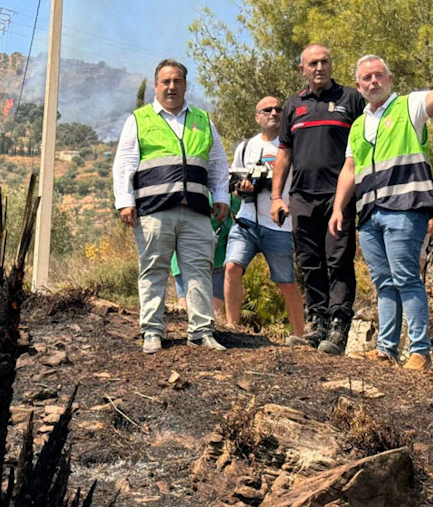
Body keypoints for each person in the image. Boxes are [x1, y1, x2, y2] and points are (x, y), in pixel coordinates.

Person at [328, 54, 433, 369]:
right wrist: (339, 207)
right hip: (369, 214)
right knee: (383, 282)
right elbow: (349, 169)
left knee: (406, 277)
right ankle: (386, 350)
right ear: (358, 86)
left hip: (405, 208)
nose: (373, 82)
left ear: (389, 79)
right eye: (366, 78)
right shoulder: (357, 125)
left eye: (378, 75)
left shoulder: (409, 105)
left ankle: (420, 351)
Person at [112, 58, 230, 353]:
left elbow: (217, 164)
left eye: (177, 81)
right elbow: (124, 163)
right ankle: (152, 330)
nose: (172, 86)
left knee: (199, 269)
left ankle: (202, 330)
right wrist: (125, 202)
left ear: (185, 85)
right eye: (166, 81)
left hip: (196, 210)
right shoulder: (139, 119)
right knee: (153, 268)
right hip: (154, 209)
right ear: (156, 85)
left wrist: (222, 197)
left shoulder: (202, 120)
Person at [270, 44, 365, 355]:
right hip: (302, 197)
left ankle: (339, 325)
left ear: (331, 65)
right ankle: (316, 323)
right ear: (302, 69)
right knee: (310, 263)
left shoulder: (350, 99)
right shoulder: (293, 105)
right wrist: (276, 197)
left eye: (324, 62)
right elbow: (284, 153)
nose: (319, 67)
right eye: (313, 63)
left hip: (339, 198)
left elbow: (366, 144)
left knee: (338, 260)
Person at [223, 96, 306, 344]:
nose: (273, 113)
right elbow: (234, 185)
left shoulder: (291, 146)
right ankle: (232, 328)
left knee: (286, 281)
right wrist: (245, 188)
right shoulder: (245, 147)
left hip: (279, 225)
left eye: (278, 109)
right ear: (257, 117)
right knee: (231, 267)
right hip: (247, 220)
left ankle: (300, 336)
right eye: (267, 109)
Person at [171, 192, 239, 319]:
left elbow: (241, 210)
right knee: (185, 309)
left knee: (215, 312)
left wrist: (238, 193)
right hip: (185, 259)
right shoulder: (186, 188)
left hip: (217, 261)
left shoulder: (226, 192)